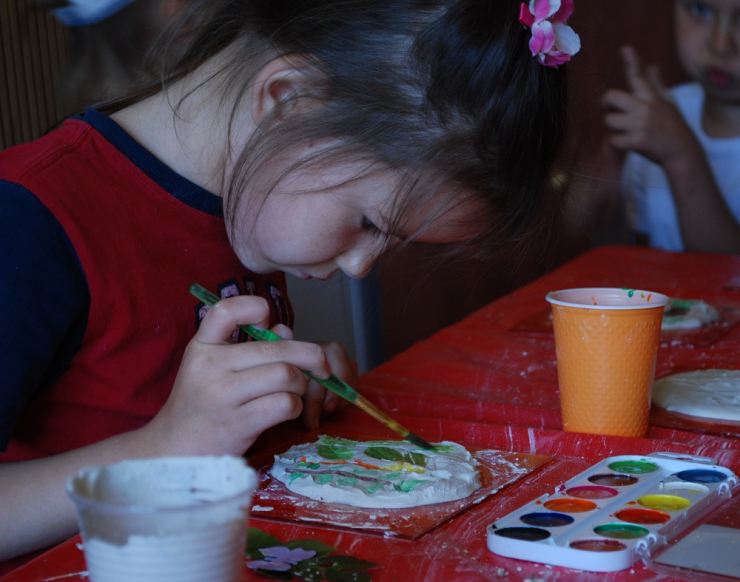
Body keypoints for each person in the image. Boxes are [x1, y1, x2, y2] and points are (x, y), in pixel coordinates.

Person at [0, 0, 578, 563]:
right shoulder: (30, 221)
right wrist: (165, 451)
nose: (360, 266)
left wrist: (280, 390)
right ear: (286, 101)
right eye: (369, 223)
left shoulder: (246, 199)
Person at [602, 0, 740, 254]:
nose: (720, 45)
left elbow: (726, 279)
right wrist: (609, 172)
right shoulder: (661, 116)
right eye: (700, 10)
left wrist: (682, 158)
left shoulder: (669, 131)